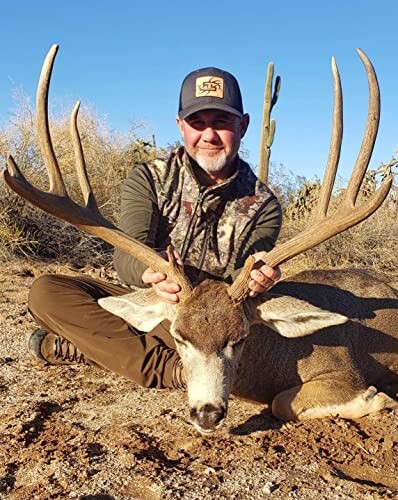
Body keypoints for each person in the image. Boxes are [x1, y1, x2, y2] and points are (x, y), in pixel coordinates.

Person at [28, 66, 282, 390]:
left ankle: (162, 368)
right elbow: (126, 255)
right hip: (153, 304)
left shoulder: (263, 205)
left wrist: (258, 279)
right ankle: (174, 367)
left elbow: (238, 284)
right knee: (46, 293)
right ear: (180, 126)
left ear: (243, 126)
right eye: (197, 123)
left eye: (221, 122)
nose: (209, 136)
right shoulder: (149, 178)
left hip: (212, 327)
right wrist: (150, 272)